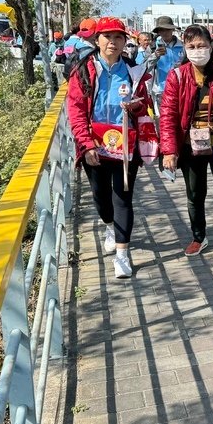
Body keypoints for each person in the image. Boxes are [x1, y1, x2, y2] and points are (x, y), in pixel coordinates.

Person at [66, 17, 153, 279]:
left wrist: (135, 105)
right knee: (101, 197)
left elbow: (144, 104)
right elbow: (76, 110)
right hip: (95, 143)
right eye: (107, 37)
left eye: (118, 38)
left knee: (122, 196)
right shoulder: (84, 70)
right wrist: (86, 143)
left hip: (125, 142)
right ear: (97, 40)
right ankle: (108, 225)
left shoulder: (133, 70)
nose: (113, 42)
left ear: (125, 41)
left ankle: (123, 254)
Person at [159, 25, 213, 270]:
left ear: (211, 46)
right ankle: (199, 237)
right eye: (191, 47)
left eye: (201, 46)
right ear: (185, 49)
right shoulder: (177, 76)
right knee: (195, 195)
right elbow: (167, 115)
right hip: (191, 146)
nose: (197, 51)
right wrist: (169, 151)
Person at [151, 16, 184, 113]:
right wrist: (154, 56)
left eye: (167, 29)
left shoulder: (182, 46)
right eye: (162, 30)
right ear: (158, 32)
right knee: (165, 118)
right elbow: (144, 68)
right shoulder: (153, 47)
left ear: (172, 30)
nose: (165, 33)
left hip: (180, 88)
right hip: (161, 90)